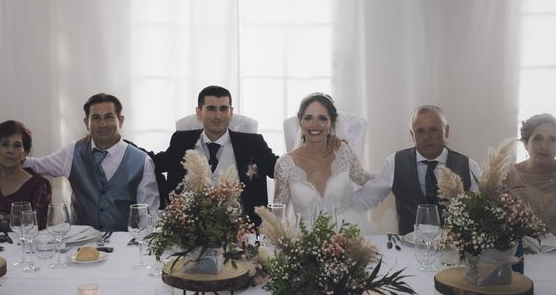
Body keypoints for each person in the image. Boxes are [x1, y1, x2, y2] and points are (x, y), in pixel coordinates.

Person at [0, 93, 160, 232]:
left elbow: (149, 218)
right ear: (86, 123)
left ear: (120, 120)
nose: (102, 124)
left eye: (109, 117)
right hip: (80, 245)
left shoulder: (142, 161)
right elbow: (36, 164)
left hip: (125, 246)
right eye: (96, 118)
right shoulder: (73, 151)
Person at [151, 85, 277, 225]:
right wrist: (122, 143)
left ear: (231, 112)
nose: (218, 116)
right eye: (211, 109)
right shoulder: (181, 141)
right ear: (199, 112)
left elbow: (279, 168)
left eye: (223, 109)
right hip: (189, 232)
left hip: (243, 233)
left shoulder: (253, 144)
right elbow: (152, 162)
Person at [352, 105, 481, 235]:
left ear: (446, 131)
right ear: (412, 135)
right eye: (420, 131)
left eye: (433, 130)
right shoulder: (394, 163)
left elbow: (483, 213)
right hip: (407, 250)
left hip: (455, 251)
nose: (427, 137)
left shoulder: (469, 166)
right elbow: (368, 198)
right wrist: (336, 208)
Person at [274, 93, 373, 230]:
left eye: (322, 118)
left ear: (330, 122)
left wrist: (394, 170)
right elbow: (278, 214)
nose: (315, 125)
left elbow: (367, 180)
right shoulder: (284, 165)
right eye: (308, 118)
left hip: (346, 236)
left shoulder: (343, 151)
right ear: (300, 122)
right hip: (304, 242)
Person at [0, 120, 52, 232]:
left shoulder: (39, 185)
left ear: (26, 152)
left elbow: (40, 230)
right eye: (5, 144)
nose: (10, 151)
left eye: (17, 145)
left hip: (24, 247)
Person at [504, 113, 556, 236]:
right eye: (537, 139)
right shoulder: (506, 175)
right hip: (515, 251)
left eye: (553, 140)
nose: (545, 146)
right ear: (525, 143)